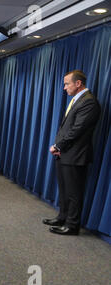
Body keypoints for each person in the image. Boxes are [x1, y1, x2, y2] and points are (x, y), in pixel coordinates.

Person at [43, 70, 101, 235]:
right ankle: (62, 217)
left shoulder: (89, 102)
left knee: (74, 192)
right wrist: (59, 147)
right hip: (65, 153)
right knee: (64, 189)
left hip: (76, 155)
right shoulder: (77, 100)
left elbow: (77, 130)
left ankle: (72, 225)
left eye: (67, 83)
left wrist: (58, 146)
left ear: (78, 83)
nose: (64, 87)